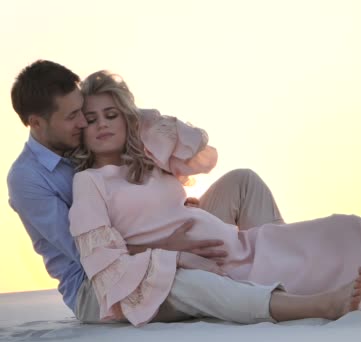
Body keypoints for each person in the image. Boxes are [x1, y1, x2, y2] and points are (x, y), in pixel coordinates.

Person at [68, 70, 361, 327]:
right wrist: (178, 256)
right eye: (91, 118)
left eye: (113, 113)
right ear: (79, 130)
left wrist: (139, 113)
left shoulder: (150, 158)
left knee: (349, 226)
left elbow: (195, 145)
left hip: (250, 243)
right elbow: (104, 264)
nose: (103, 124)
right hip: (219, 268)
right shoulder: (88, 185)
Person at [7, 60, 289, 324]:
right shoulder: (28, 179)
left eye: (82, 111)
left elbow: (164, 140)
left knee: (243, 182)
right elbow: (91, 255)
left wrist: (126, 112)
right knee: (184, 279)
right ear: (36, 123)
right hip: (101, 286)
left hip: (160, 238)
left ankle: (283, 265)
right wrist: (167, 246)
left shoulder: (85, 136)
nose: (83, 122)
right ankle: (275, 301)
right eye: (72, 116)